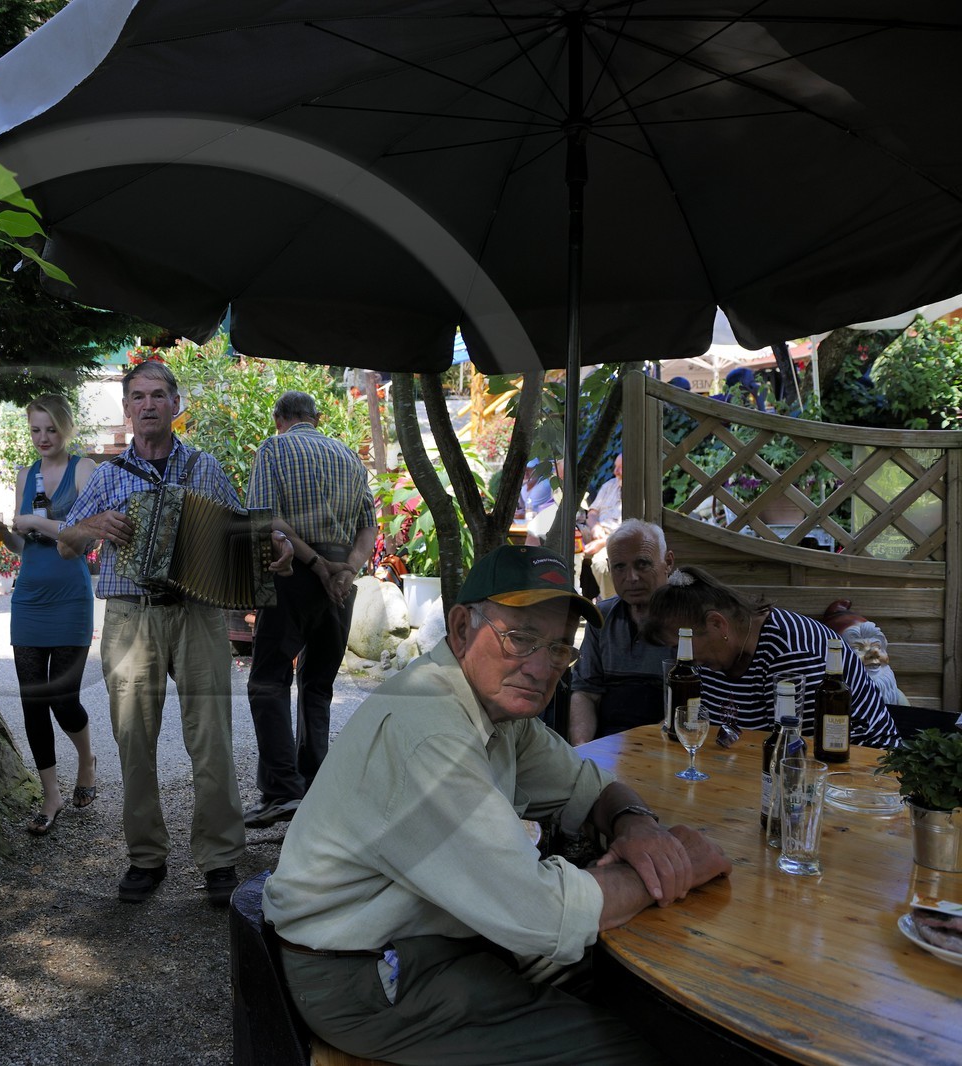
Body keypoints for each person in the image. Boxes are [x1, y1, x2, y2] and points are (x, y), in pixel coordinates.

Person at [263, 544, 731, 1064]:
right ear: (462, 629)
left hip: (437, 940)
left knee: (641, 998)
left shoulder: (494, 708)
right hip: (370, 975)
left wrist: (635, 825)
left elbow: (588, 785)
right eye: (521, 638)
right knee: (631, 1051)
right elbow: (540, 913)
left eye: (558, 648)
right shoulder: (431, 733)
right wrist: (675, 865)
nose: (541, 667)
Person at [56, 359, 292, 906]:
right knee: (133, 740)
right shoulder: (109, 475)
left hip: (198, 614)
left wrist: (274, 543)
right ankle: (146, 857)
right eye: (137, 396)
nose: (147, 405)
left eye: (158, 395)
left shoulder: (204, 467)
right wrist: (93, 527)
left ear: (174, 404)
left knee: (211, 739)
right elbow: (67, 543)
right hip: (130, 616)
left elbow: (241, 530)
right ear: (127, 409)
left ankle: (220, 859)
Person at [242, 390, 376, 829]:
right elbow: (368, 528)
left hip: (294, 574)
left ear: (279, 417)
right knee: (317, 686)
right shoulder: (349, 458)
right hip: (340, 582)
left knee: (267, 680)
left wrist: (316, 564)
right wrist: (346, 573)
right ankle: (315, 786)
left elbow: (265, 517)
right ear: (315, 418)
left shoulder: (274, 448)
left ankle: (282, 792)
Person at [0, 394, 99, 836]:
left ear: (65, 429)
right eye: (35, 430)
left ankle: (86, 759)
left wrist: (33, 521)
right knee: (33, 702)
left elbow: (86, 536)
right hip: (29, 597)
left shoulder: (84, 470)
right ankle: (50, 797)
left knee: (63, 698)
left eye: (51, 429)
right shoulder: (24, 475)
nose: (43, 438)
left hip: (70, 597)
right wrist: (4, 536)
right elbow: (24, 544)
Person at [642, 564, 900, 748]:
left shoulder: (791, 655)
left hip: (863, 779)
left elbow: (799, 755)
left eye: (681, 645)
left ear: (717, 624)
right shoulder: (711, 655)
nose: (680, 657)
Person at [568, 520, 676, 745]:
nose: (631, 577)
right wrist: (583, 751)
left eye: (642, 564)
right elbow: (586, 693)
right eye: (619, 567)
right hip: (609, 749)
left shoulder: (688, 621)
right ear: (609, 567)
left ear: (668, 563)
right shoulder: (601, 617)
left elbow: (688, 706)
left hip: (666, 747)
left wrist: (644, 752)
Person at [578, 453, 623, 599]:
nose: (615, 472)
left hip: (618, 538)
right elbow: (592, 513)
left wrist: (602, 542)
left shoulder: (637, 493)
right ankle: (573, 594)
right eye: (616, 467)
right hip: (597, 531)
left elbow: (629, 530)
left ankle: (608, 605)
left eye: (621, 468)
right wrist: (595, 526)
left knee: (601, 564)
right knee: (569, 539)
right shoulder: (609, 485)